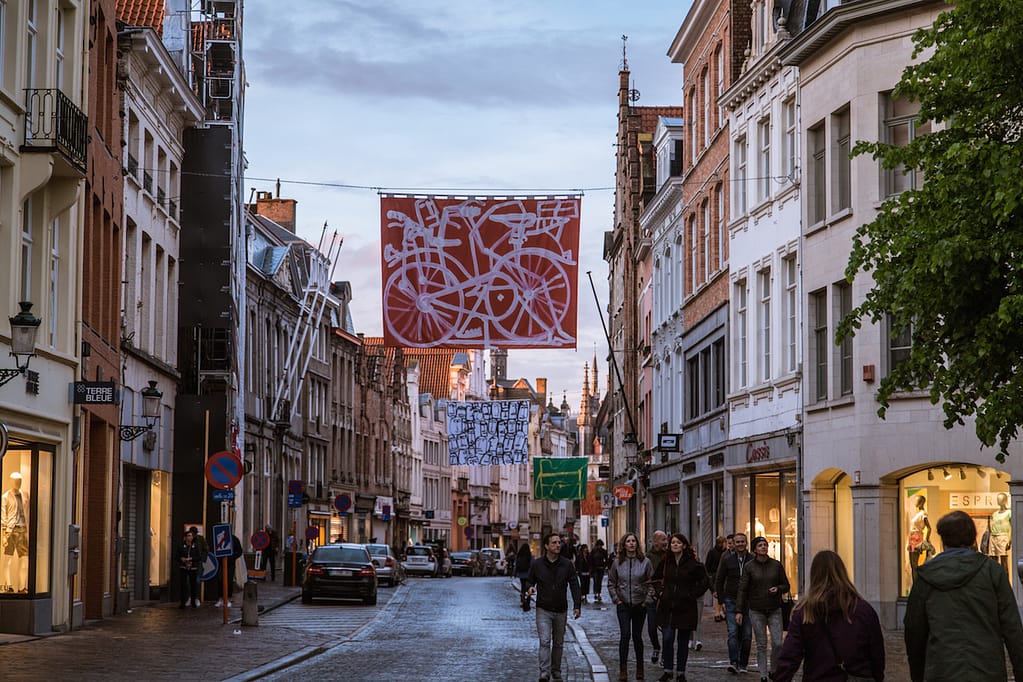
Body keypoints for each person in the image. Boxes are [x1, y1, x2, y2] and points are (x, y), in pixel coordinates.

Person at [904, 510, 1023, 682]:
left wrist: (917, 675)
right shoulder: (992, 571)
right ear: (973, 538)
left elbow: (914, 631)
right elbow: (1012, 628)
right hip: (986, 669)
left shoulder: (926, 575)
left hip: (942, 669)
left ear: (942, 539)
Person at [774, 550, 884, 682]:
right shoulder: (863, 610)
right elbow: (877, 654)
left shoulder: (805, 612)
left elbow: (789, 657)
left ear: (814, 576)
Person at [525, 532, 582, 682]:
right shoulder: (537, 564)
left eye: (559, 542)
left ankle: (556, 671)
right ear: (546, 546)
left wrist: (577, 605)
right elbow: (529, 580)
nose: (558, 545)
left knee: (558, 643)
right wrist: (530, 588)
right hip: (543, 608)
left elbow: (574, 585)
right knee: (545, 641)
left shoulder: (567, 564)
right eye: (554, 543)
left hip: (561, 609)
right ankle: (544, 673)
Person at [652, 533, 708, 682]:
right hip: (668, 607)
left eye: (678, 542)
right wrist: (661, 592)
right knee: (667, 638)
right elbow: (655, 579)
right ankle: (668, 670)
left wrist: (692, 594)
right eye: (673, 543)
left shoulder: (692, 564)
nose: (675, 545)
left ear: (684, 545)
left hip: (685, 607)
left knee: (683, 642)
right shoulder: (666, 562)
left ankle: (681, 672)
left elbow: (704, 581)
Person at [736, 536, 790, 682]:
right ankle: (763, 675)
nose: (763, 547)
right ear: (754, 549)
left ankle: (774, 669)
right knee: (761, 644)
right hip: (756, 609)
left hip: (774, 609)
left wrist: (778, 589)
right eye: (760, 545)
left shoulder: (776, 565)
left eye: (765, 545)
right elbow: (742, 589)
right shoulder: (749, 567)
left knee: (778, 643)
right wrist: (739, 610)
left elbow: (786, 585)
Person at [607, 532, 654, 681]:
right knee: (625, 635)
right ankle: (623, 669)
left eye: (634, 541)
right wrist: (616, 600)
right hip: (623, 605)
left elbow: (652, 583)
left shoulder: (645, 562)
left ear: (637, 544)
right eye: (628, 541)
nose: (631, 543)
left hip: (640, 604)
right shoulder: (617, 563)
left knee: (637, 637)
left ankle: (640, 667)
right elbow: (611, 583)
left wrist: (647, 601)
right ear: (624, 544)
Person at [715, 532, 753, 674]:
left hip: (749, 602)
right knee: (733, 632)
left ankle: (743, 664)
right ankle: (734, 662)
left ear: (746, 543)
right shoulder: (727, 560)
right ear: (734, 544)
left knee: (747, 634)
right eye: (738, 542)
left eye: (743, 541)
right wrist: (721, 601)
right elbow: (719, 580)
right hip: (731, 600)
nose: (740, 544)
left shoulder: (752, 560)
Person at [646, 530, 668, 666]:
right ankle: (656, 647)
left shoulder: (669, 556)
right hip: (652, 597)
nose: (666, 542)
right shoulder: (648, 557)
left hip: (666, 597)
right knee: (652, 628)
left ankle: (665, 656)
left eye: (666, 539)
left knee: (667, 629)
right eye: (663, 539)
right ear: (655, 542)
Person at [906, 494, 932, 582]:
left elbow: (929, 528)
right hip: (913, 536)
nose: (915, 502)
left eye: (917, 500)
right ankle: (915, 584)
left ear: (921, 502)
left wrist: (927, 540)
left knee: (914, 565)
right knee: (912, 565)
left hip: (917, 537)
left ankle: (917, 584)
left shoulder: (923, 514)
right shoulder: (918, 514)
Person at [177, 530, 202, 609]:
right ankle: (182, 603)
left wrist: (191, 559)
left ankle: (193, 602)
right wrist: (181, 559)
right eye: (188, 536)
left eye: (191, 536)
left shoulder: (195, 546)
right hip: (183, 567)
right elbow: (176, 556)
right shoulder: (181, 546)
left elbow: (199, 556)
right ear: (185, 537)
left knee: (193, 585)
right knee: (183, 585)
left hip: (193, 568)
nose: (190, 537)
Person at [705, 536, 727, 622]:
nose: (726, 544)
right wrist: (710, 576)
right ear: (722, 543)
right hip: (714, 576)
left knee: (721, 594)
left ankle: (721, 612)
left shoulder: (725, 552)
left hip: (723, 575)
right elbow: (708, 566)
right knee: (717, 594)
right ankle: (717, 613)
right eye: (725, 542)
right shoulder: (712, 552)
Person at [516, 543, 534, 611]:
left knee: (523, 587)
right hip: (528, 574)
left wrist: (515, 573)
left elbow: (516, 565)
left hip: (521, 574)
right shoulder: (530, 556)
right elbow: (533, 565)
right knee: (529, 587)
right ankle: (528, 600)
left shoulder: (519, 556)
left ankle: (522, 600)